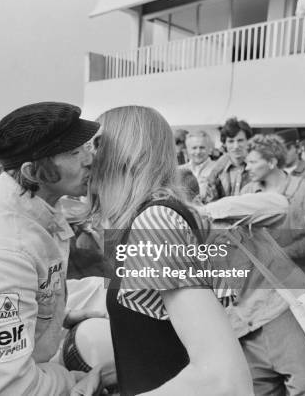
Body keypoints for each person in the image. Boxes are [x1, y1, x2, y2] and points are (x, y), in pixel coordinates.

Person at [0, 102, 105, 395]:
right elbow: (6, 388)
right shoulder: (2, 255)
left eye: (86, 147)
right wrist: (73, 382)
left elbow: (11, 311)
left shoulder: (34, 219)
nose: (90, 160)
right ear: (33, 172)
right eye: (74, 152)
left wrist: (58, 317)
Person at [90, 106, 252, 395]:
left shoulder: (154, 221)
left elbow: (222, 377)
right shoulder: (149, 218)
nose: (86, 157)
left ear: (121, 154)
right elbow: (160, 331)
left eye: (95, 145)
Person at [237, 134, 305, 395]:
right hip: (262, 298)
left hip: (302, 289)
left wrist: (283, 253)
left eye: (252, 161)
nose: (246, 167)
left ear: (271, 162)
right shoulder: (247, 192)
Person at [204, 117, 253, 202]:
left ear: (248, 141)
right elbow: (210, 201)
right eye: (231, 141)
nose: (236, 146)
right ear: (225, 144)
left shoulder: (258, 166)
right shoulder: (217, 170)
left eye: (240, 140)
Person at [180, 130, 216, 199]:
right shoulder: (179, 171)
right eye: (194, 148)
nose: (198, 152)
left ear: (210, 149)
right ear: (187, 150)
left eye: (202, 147)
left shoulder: (218, 169)